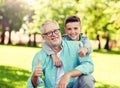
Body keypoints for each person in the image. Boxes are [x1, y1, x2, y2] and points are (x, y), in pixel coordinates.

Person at [27, 20, 95, 88]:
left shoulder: (76, 46)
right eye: (49, 33)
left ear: (59, 31)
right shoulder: (40, 56)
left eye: (56, 31)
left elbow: (89, 65)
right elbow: (33, 85)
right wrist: (34, 76)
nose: (54, 34)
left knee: (87, 79)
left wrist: (68, 74)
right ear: (43, 37)